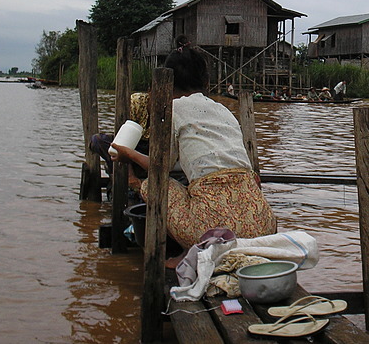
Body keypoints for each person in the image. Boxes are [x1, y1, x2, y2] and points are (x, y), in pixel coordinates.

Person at [112, 36, 277, 266]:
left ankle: (189, 251)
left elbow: (160, 168)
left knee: (152, 185)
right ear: (205, 81)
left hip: (212, 233)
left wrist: (126, 155)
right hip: (262, 225)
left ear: (166, 83)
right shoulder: (223, 110)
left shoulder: (173, 109)